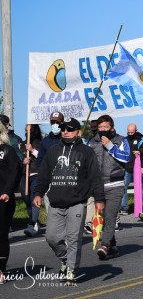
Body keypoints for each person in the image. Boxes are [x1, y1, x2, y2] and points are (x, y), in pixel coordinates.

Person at [33, 118, 105, 286]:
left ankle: (71, 270)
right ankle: (65, 258)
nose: (65, 131)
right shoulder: (52, 151)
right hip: (56, 203)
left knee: (73, 238)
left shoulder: (87, 152)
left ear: (78, 132)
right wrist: (38, 193)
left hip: (77, 202)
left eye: (69, 129)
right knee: (51, 237)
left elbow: (95, 177)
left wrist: (100, 199)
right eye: (63, 128)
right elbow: (43, 175)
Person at [88, 114, 130, 260]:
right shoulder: (92, 141)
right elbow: (87, 161)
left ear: (111, 127)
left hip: (115, 184)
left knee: (110, 216)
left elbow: (126, 157)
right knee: (103, 218)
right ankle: (113, 246)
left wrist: (110, 147)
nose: (103, 130)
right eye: (100, 127)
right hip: (98, 186)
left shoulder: (121, 140)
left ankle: (105, 245)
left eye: (106, 127)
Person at [0, 122, 20, 285]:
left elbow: (14, 172)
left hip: (3, 200)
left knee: (0, 235)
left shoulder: (9, 151)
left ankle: (1, 269)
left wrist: (7, 191)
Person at [21, 124, 43, 237]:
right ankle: (33, 220)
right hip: (25, 175)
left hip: (36, 174)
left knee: (34, 198)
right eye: (26, 130)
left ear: (35, 130)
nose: (27, 132)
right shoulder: (22, 144)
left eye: (30, 130)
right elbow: (18, 158)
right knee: (26, 198)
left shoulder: (40, 143)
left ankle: (32, 223)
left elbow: (43, 157)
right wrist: (23, 161)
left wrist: (32, 150)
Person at [121, 124, 143, 215]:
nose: (130, 134)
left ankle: (139, 207)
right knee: (124, 187)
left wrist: (142, 166)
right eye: (129, 132)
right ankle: (124, 208)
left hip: (137, 167)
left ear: (136, 131)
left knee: (138, 188)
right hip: (127, 167)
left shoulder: (141, 140)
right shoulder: (124, 140)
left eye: (132, 132)